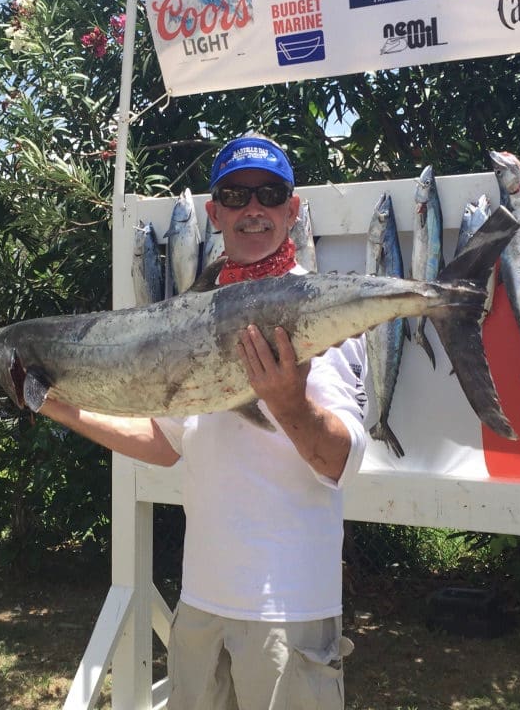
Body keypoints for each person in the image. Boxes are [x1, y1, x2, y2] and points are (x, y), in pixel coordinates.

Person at [36, 134, 369, 710]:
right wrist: (57, 406)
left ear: (292, 210)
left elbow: (341, 461)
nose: (253, 209)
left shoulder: (318, 307)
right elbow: (164, 443)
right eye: (235, 197)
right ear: (214, 213)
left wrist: (289, 404)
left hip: (285, 613)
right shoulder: (197, 311)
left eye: (269, 194)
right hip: (200, 605)